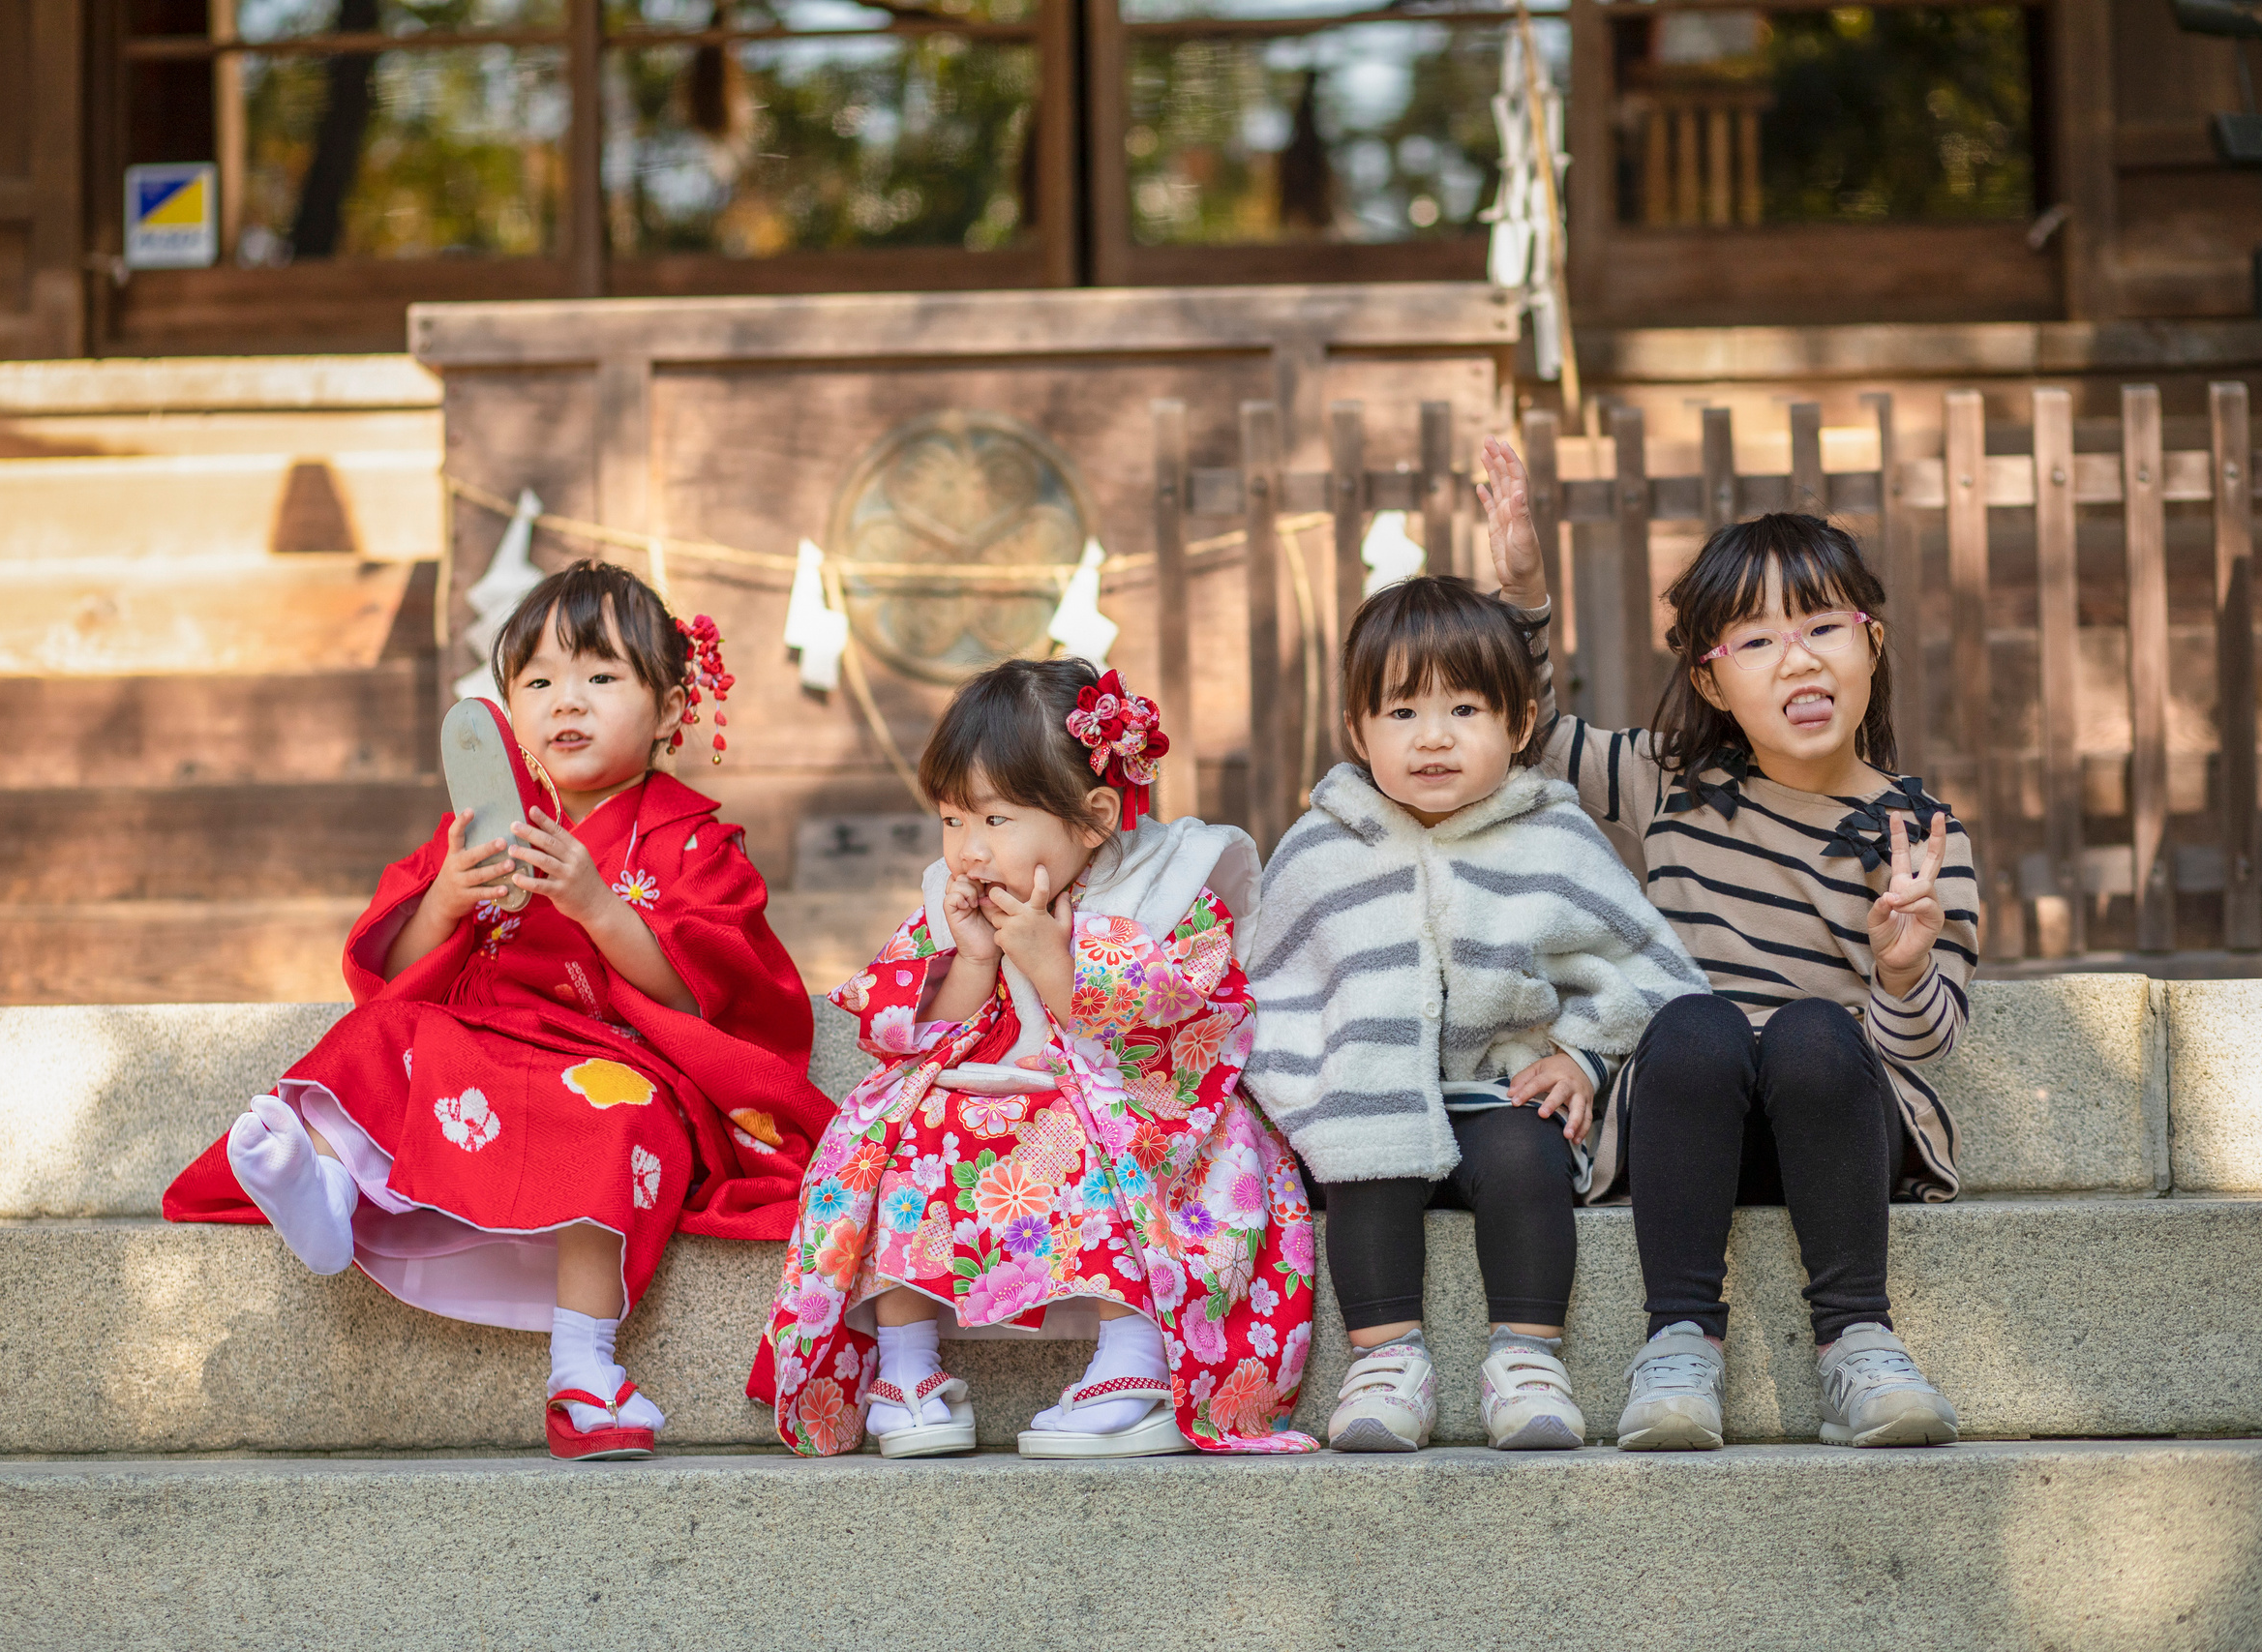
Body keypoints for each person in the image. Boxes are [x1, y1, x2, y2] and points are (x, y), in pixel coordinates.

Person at [163, 561, 830, 1461]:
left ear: (671, 709)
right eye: (541, 681)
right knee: (382, 1034)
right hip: (491, 1041)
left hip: (619, 1058)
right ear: (510, 705)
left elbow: (707, 990)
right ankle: (321, 1193)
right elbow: (393, 972)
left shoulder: (694, 840)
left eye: (602, 677)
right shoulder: (487, 820)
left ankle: (585, 1370)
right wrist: (443, 900)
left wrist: (600, 905)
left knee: (614, 1117)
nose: (569, 702)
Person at [1476, 436, 1979, 1450]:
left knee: (1807, 1033)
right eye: (1753, 641)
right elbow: (1527, 732)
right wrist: (1521, 583)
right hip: (1685, 1120)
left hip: (1833, 1121)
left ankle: (1857, 1347)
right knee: (1696, 1025)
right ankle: (1678, 1346)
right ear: (1710, 685)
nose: (1795, 657)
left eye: (1822, 626)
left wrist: (1902, 968)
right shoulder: (1673, 783)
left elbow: (1928, 1046)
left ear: (1871, 645)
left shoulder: (1917, 834)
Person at [756, 661, 1318, 1458]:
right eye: (952, 821)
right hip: (996, 1080)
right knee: (900, 1135)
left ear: (1092, 817)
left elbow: (1189, 1026)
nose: (969, 850)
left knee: (1089, 1132)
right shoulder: (955, 896)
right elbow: (903, 1028)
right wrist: (976, 960)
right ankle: (908, 1364)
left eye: (994, 819)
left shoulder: (1166, 885)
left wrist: (1055, 961)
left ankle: (1136, 1356)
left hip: (1138, 1095)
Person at [1245, 576, 1708, 1451]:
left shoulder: (1554, 838)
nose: (1433, 737)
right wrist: (1312, 1099)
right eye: (1401, 711)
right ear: (1357, 731)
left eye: (1464, 708)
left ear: (1519, 725)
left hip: (1505, 1091)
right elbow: (1271, 995)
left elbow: (1653, 972)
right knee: (1364, 1172)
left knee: (1526, 1158)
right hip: (1370, 1099)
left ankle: (1526, 1360)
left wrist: (1582, 1057)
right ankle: (1385, 1364)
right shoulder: (1321, 842)